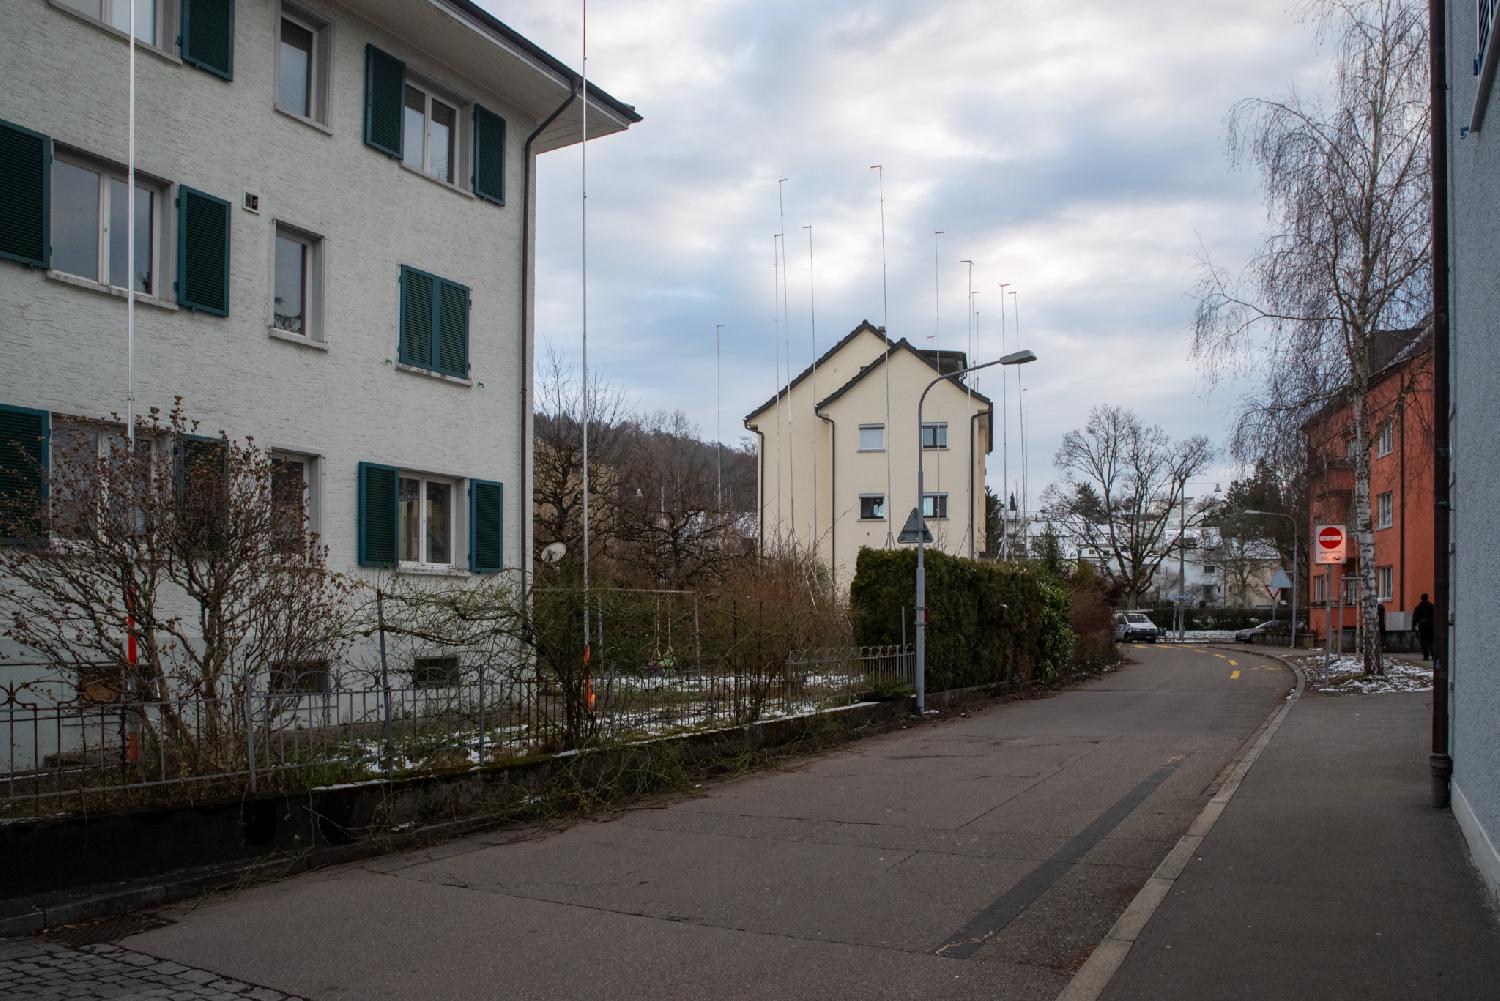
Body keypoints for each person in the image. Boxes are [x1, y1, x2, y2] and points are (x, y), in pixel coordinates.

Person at [1413, 593, 1435, 661]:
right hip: (1431, 625)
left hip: (1423, 626)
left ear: (1421, 598)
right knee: (1431, 640)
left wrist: (1413, 626)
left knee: (1423, 640)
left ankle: (1426, 656)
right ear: (1427, 598)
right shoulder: (1431, 606)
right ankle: (1434, 654)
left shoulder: (1418, 607)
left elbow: (1415, 618)